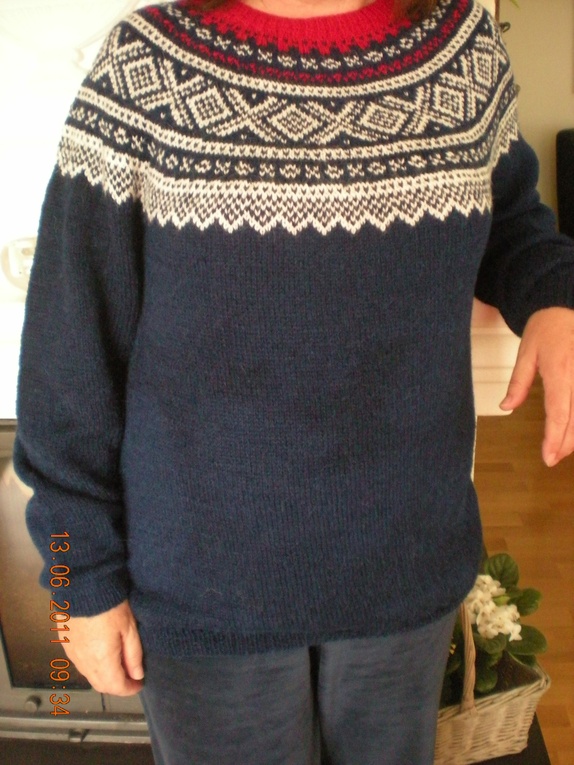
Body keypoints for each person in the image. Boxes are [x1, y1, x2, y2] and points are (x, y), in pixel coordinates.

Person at [14, 0, 574, 762]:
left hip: (404, 574)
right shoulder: (143, 72)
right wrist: (76, 575)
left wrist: (553, 294)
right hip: (201, 597)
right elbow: (67, 358)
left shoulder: (464, 51)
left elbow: (512, 220)